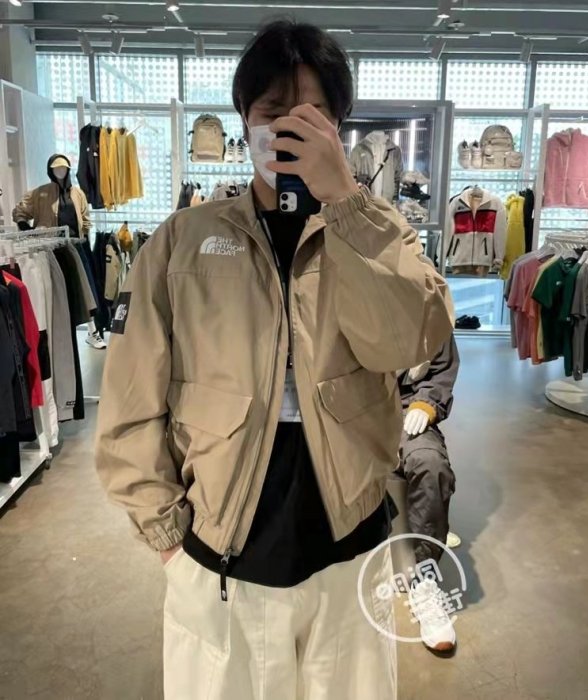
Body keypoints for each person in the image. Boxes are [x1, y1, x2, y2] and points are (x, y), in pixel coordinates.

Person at [95, 19, 453, 700]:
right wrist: (167, 537)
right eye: (272, 111)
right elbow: (130, 399)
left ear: (339, 127)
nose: (291, 127)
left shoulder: (378, 230)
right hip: (219, 552)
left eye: (313, 114)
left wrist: (345, 202)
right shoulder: (183, 241)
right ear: (244, 119)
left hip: (350, 546)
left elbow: (407, 341)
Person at [395, 334, 459, 653]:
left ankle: (425, 580)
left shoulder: (429, 313)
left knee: (430, 465)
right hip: (348, 412)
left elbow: (442, 368)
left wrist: (426, 403)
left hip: (407, 409)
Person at [12, 155, 106, 350]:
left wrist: (84, 236)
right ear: (50, 171)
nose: (60, 172)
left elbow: (85, 218)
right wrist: (25, 227)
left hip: (74, 247)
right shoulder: (41, 193)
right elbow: (20, 211)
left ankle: (93, 332)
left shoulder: (77, 193)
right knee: (57, 290)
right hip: (50, 247)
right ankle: (58, 334)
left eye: (63, 168)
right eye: (56, 169)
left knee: (84, 288)